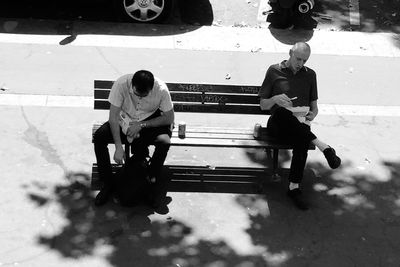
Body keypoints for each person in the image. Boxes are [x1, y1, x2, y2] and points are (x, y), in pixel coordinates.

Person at [259, 42, 341, 210]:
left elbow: (314, 107)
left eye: (305, 60)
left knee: (302, 138)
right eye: (298, 59)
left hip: (300, 126)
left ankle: (294, 187)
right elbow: (263, 105)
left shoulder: (310, 75)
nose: (300, 64)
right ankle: (324, 147)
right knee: (283, 113)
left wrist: (312, 114)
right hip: (277, 125)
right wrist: (275, 99)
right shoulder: (274, 71)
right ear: (290, 53)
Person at [93, 70, 174, 207]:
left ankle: (150, 180)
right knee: (100, 137)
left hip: (148, 121)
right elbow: (113, 117)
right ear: (132, 85)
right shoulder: (121, 84)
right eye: (137, 94)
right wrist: (119, 147)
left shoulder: (161, 89)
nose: (141, 97)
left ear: (151, 87)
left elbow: (169, 118)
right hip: (124, 119)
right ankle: (108, 182)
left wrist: (142, 125)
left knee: (164, 142)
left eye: (145, 94)